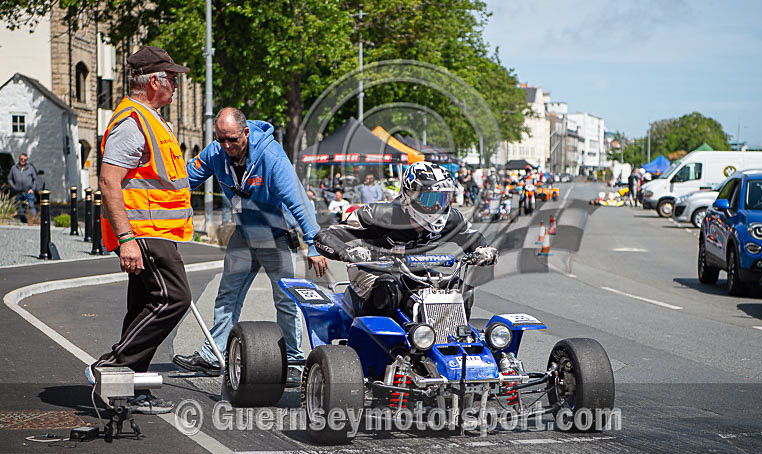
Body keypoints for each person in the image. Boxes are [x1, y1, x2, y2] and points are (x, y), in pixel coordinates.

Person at [173, 108, 328, 382]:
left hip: (276, 235)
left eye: (232, 139)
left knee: (286, 299)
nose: (227, 146)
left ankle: (293, 360)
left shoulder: (271, 156)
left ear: (245, 132)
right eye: (221, 139)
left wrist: (313, 245)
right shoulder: (215, 152)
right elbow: (184, 181)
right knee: (226, 296)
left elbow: (298, 201)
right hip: (244, 234)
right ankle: (214, 355)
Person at [88, 46, 192, 415]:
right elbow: (108, 181)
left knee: (143, 306)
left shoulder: (150, 118)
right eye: (172, 78)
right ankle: (112, 366)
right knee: (173, 299)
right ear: (153, 82)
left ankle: (129, 388)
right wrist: (127, 240)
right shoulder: (132, 123)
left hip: (157, 233)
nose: (176, 85)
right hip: (144, 233)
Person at [314, 161, 498, 317]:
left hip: (414, 270)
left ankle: (452, 339)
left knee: (459, 290)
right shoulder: (378, 215)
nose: (436, 205)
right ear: (409, 195)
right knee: (387, 293)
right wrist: (349, 252)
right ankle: (373, 346)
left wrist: (484, 249)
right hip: (371, 269)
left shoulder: (452, 219)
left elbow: (472, 237)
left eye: (443, 198)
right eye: (429, 198)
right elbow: (324, 236)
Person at [7, 153, 37, 222]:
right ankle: (24, 222)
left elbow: (35, 179)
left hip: (28, 192)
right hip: (18, 193)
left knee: (31, 206)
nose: (23, 160)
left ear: (26, 160)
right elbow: (9, 178)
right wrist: (13, 187)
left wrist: (32, 189)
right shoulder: (14, 168)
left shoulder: (30, 168)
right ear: (19, 159)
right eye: (21, 159)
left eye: (24, 159)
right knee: (20, 209)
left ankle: (33, 221)